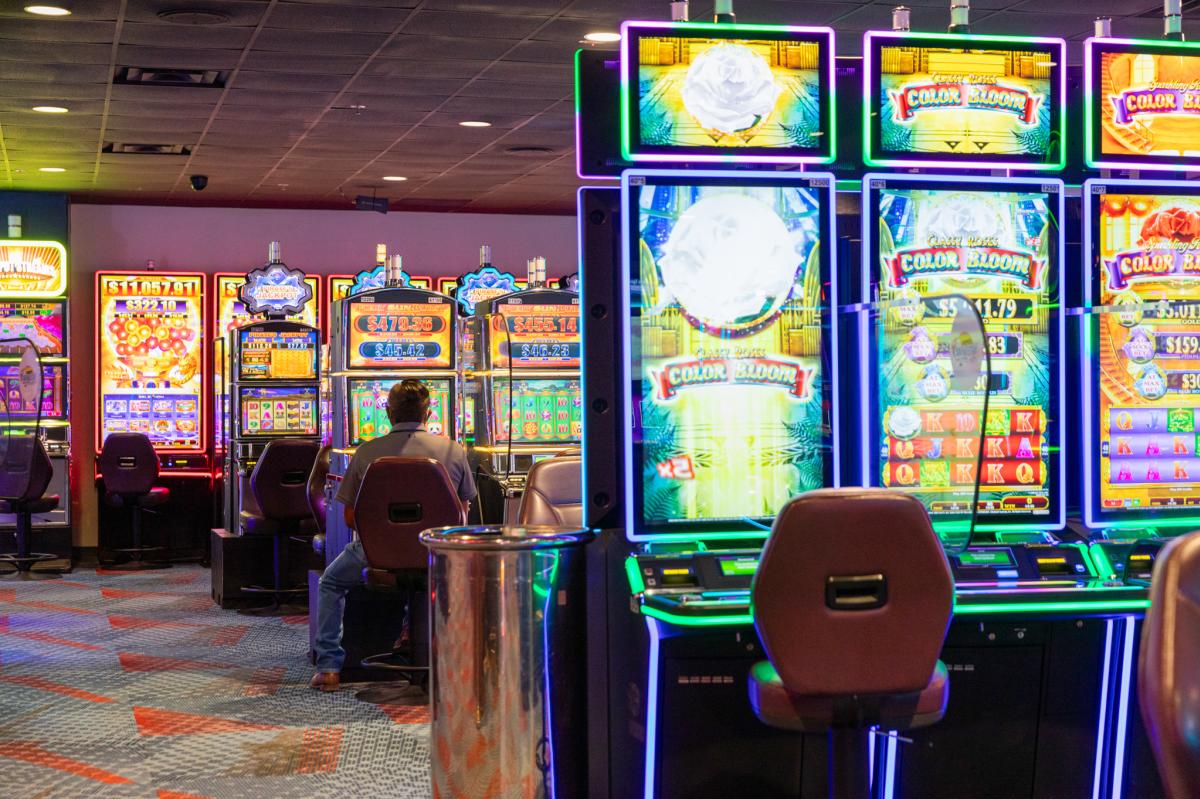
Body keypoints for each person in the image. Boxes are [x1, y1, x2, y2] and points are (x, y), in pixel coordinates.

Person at [310, 379, 476, 692]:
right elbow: (462, 516)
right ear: (428, 413)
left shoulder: (367, 452)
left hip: (378, 552)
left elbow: (350, 517)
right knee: (451, 577)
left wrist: (390, 538)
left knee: (330, 583)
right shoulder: (453, 451)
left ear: (388, 413)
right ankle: (453, 659)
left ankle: (330, 668)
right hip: (437, 552)